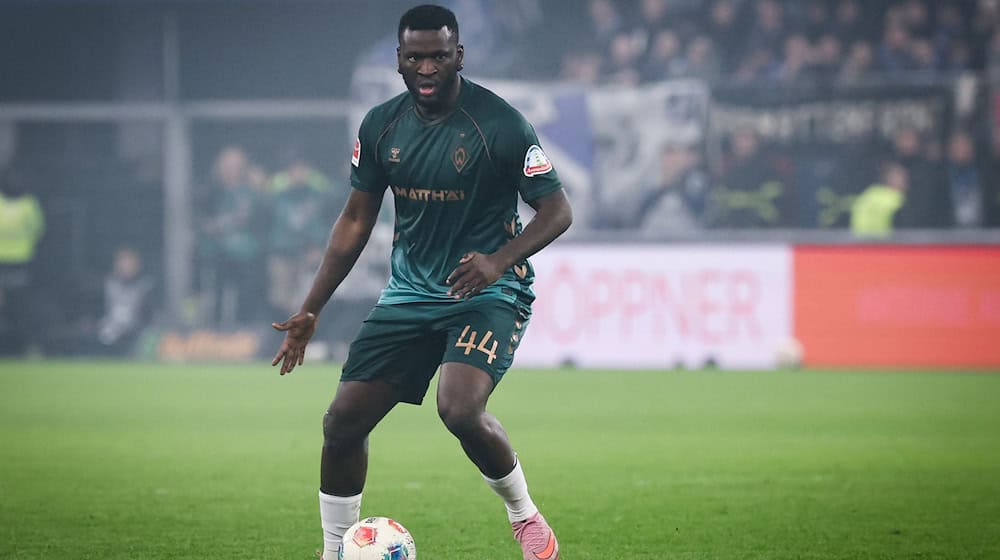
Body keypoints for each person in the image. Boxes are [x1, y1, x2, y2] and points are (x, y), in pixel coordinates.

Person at [270, 5, 572, 560]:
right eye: (415, 57)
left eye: (438, 56)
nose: (427, 68)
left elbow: (556, 210)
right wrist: (311, 308)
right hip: (410, 294)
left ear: (459, 55)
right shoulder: (381, 125)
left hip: (487, 293)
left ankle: (524, 516)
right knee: (341, 423)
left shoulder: (500, 124)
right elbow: (356, 218)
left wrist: (498, 261)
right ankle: (335, 550)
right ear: (399, 61)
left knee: (458, 409)